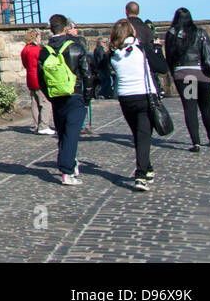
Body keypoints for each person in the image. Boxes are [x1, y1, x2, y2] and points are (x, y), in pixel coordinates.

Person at [37, 14, 97, 185]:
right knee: (71, 134)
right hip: (74, 94)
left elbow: (40, 77)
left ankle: (70, 162)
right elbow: (87, 74)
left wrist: (49, 95)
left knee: (63, 133)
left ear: (51, 29)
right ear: (66, 28)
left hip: (56, 95)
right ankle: (67, 171)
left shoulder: (44, 51)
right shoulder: (75, 47)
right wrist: (87, 98)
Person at [108, 18, 158, 190]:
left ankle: (148, 167)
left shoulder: (113, 53)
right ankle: (141, 175)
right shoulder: (141, 49)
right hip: (143, 95)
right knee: (143, 135)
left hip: (125, 98)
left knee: (138, 134)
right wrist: (157, 49)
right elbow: (162, 67)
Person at [165, 7, 210, 151]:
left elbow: (170, 57)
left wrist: (174, 74)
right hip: (202, 74)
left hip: (185, 75)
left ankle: (196, 142)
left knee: (190, 108)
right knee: (206, 106)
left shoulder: (171, 35)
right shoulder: (200, 33)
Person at [125, 0, 169, 93]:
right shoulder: (146, 28)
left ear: (126, 11)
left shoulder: (123, 28)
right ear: (138, 12)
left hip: (128, 67)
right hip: (147, 66)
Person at [20, 31, 54, 135]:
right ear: (35, 38)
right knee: (44, 102)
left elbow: (25, 65)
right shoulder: (37, 50)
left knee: (34, 102)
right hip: (38, 78)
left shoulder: (24, 50)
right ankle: (44, 125)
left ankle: (36, 124)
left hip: (30, 77)